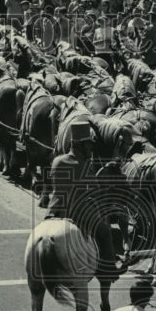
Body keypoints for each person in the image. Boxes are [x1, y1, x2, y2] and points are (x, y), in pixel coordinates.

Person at [41, 120, 117, 283]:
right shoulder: (83, 164)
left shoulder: (57, 161)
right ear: (80, 145)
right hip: (77, 213)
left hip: (54, 211)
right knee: (104, 232)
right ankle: (110, 271)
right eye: (89, 145)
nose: (91, 149)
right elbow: (95, 190)